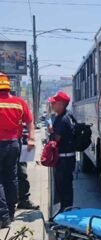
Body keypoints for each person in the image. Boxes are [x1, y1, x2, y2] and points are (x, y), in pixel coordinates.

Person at [0, 72, 35, 229]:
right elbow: (30, 121)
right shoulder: (19, 102)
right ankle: (11, 212)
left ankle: (3, 216)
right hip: (15, 144)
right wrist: (32, 138)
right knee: (11, 178)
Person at [48, 91, 76, 212]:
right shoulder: (69, 116)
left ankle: (65, 210)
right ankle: (65, 208)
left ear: (61, 104)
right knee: (67, 185)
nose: (52, 105)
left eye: (54, 103)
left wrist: (51, 132)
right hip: (68, 158)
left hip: (63, 159)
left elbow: (57, 139)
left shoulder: (61, 119)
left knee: (62, 186)